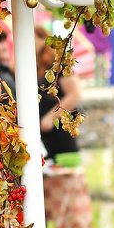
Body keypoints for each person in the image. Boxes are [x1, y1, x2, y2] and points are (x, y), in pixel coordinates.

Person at [36, 25, 82, 162]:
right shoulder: (38, 67)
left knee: (67, 174)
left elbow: (75, 94)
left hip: (61, 133)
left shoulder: (59, 65)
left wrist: (51, 117)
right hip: (47, 138)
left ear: (42, 39)